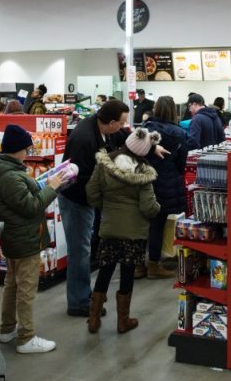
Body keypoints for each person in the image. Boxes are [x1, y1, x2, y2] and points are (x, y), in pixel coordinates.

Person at [0, 125, 69, 353]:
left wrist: (40, 184)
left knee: (12, 284)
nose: (28, 154)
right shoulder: (10, 177)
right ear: (18, 149)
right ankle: (26, 338)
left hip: (13, 236)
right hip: (23, 238)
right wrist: (52, 187)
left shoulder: (5, 170)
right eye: (28, 150)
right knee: (26, 289)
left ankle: (8, 329)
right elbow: (31, 207)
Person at [85, 127, 161, 334]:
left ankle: (93, 319)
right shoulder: (143, 173)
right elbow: (148, 207)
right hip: (134, 231)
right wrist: (157, 210)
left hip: (109, 227)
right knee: (127, 272)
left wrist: (106, 207)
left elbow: (91, 192)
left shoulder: (105, 163)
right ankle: (123, 321)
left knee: (105, 270)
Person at [58, 100, 131, 317]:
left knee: (84, 249)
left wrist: (150, 145)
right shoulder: (84, 139)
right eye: (121, 123)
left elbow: (124, 138)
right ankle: (79, 303)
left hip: (86, 201)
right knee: (79, 252)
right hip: (76, 201)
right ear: (110, 122)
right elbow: (79, 179)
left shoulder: (102, 129)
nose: (123, 127)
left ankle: (84, 294)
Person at [139, 96, 187, 279]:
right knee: (158, 224)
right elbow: (181, 162)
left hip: (143, 180)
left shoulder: (145, 129)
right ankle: (154, 264)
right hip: (167, 181)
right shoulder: (179, 132)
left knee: (141, 223)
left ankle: (136, 265)